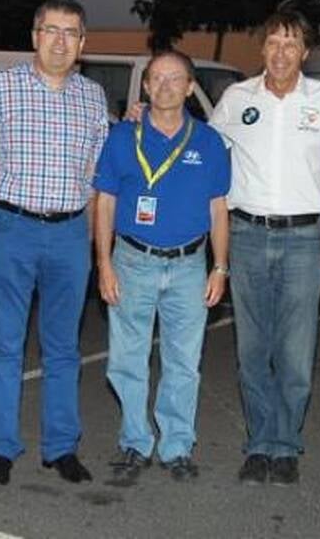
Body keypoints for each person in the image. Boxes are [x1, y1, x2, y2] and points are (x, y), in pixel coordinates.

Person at [210, 9, 320, 486]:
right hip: (246, 235)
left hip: (303, 241)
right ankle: (259, 444)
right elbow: (200, 151)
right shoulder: (236, 99)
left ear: (306, 52)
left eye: (292, 43)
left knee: (296, 354)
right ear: (262, 48)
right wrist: (146, 120)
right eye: (274, 42)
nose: (281, 52)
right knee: (253, 351)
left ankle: (286, 446)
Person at [0, 0, 109, 486]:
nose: (60, 41)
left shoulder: (93, 98)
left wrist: (91, 243)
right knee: (4, 345)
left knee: (63, 347)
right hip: (11, 229)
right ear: (34, 36)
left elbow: (95, 178)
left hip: (70, 234)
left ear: (82, 43)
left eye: (71, 33)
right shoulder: (0, 87)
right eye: (51, 30)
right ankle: (1, 447)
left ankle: (61, 447)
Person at [93, 50, 230, 483]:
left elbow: (219, 208)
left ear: (190, 88)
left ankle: (177, 445)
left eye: (175, 79)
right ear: (146, 86)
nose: (166, 86)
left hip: (189, 266)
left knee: (183, 362)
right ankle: (135, 442)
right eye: (157, 78)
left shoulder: (209, 142)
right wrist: (103, 264)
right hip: (132, 261)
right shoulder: (122, 137)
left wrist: (220, 267)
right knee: (127, 360)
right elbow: (105, 202)